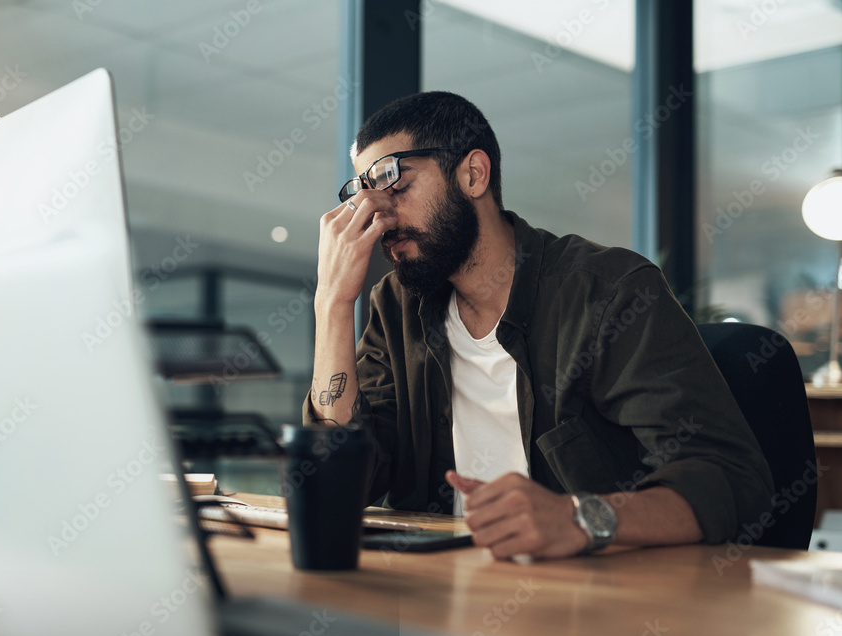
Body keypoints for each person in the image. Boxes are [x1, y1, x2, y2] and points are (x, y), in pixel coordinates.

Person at [304, 91, 774, 559]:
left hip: (595, 605)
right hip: (437, 596)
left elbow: (728, 476)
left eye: (394, 182)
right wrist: (332, 303)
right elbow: (344, 479)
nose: (377, 214)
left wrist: (580, 518)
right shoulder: (397, 306)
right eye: (363, 192)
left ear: (472, 174)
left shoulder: (608, 293)